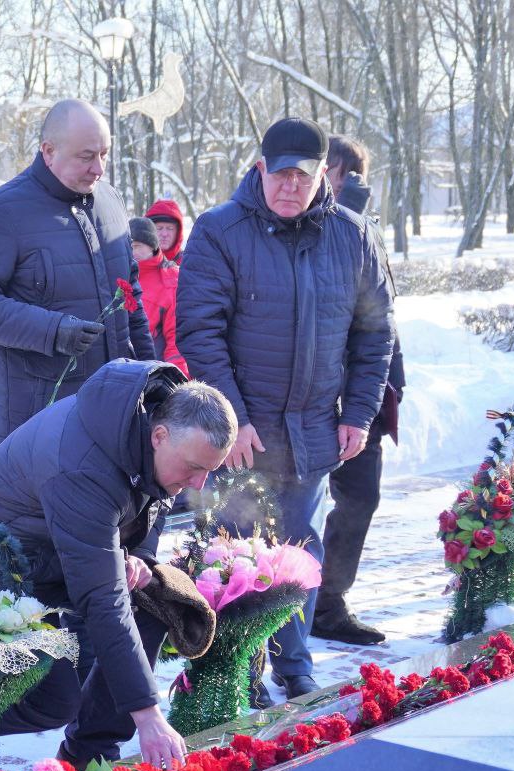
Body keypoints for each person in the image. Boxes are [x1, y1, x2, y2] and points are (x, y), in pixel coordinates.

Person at [177, 117, 395, 705]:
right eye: (280, 175)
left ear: (324, 175)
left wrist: (360, 413)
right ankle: (235, 671)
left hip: (313, 435)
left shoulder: (351, 235)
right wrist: (233, 421)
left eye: (303, 176)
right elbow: (201, 331)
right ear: (259, 170)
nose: (290, 188)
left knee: (298, 557)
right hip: (242, 437)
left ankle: (295, 666)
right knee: (233, 556)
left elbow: (374, 333)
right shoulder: (220, 231)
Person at [0, 360, 235, 771]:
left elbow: (150, 507)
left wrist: (141, 560)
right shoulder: (84, 468)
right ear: (160, 436)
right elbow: (102, 599)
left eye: (210, 471)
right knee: (55, 697)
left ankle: (89, 754)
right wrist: (148, 714)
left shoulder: (157, 434)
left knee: (154, 604)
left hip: (58, 549)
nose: (199, 484)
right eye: (194, 468)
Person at [0, 99, 156, 449]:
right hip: (36, 419)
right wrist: (54, 331)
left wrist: (150, 371)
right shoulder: (0, 211)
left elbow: (129, 294)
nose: (99, 168)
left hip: (114, 410)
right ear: (48, 151)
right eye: (86, 156)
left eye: (105, 154)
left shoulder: (111, 202)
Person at [311, 135, 407, 646]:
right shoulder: (311, 225)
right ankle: (270, 613)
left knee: (359, 500)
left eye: (352, 176)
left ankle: (328, 601)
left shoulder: (365, 230)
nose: (345, 185)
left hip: (363, 392)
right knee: (290, 507)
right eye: (337, 173)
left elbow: (378, 313)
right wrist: (346, 209)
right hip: (312, 389)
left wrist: (393, 380)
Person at [129, 216, 188, 377]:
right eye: (128, 246)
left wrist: (176, 379)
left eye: (137, 246)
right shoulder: (119, 272)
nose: (132, 252)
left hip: (154, 370)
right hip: (121, 366)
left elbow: (177, 339)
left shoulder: (171, 281)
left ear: (152, 246)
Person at [144, 197, 185, 265]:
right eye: (159, 228)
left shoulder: (188, 265)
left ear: (178, 232)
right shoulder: (136, 263)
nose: (164, 234)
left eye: (170, 228)